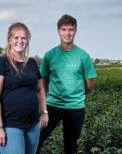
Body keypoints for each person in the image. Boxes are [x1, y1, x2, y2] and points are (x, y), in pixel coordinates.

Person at [37, 14, 97, 154]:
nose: (67, 33)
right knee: (37, 140)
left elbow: (90, 84)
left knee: (71, 147)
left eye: (71, 29)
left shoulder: (83, 56)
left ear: (75, 31)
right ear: (58, 31)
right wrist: (51, 93)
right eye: (64, 29)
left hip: (75, 107)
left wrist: (77, 94)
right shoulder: (50, 55)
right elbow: (44, 78)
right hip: (52, 105)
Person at [0, 22, 49, 154]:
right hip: (10, 126)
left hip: (32, 125)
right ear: (9, 40)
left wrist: (44, 113)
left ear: (27, 41)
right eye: (16, 38)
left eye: (23, 38)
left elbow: (40, 90)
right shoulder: (0, 62)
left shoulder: (32, 63)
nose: (20, 41)